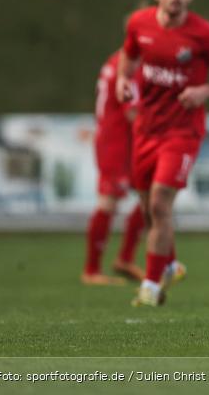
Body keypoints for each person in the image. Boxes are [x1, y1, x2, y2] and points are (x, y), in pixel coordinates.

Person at [117, 0, 209, 307]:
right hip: (146, 129)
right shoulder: (138, 24)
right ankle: (169, 264)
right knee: (147, 210)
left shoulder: (205, 34)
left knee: (159, 203)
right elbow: (128, 59)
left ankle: (151, 286)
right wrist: (122, 82)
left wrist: (205, 91)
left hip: (183, 132)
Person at [81, 47, 146, 286]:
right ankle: (91, 270)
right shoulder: (129, 66)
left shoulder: (117, 59)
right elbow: (132, 113)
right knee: (109, 200)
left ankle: (125, 259)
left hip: (122, 140)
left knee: (150, 194)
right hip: (117, 142)